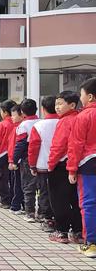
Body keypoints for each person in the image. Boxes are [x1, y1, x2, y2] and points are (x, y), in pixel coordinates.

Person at [47, 91, 82, 244]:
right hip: (78, 165)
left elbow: (58, 145)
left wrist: (50, 164)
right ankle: (77, 231)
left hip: (61, 164)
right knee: (75, 200)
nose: (57, 107)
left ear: (72, 105)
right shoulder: (80, 118)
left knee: (59, 199)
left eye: (60, 103)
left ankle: (61, 231)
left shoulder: (65, 121)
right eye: (56, 104)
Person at [67, 77, 96, 258]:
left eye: (82, 95)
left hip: (89, 163)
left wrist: (71, 169)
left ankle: (91, 243)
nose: (81, 98)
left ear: (91, 96)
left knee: (89, 204)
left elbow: (76, 144)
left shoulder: (84, 116)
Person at [28, 96, 59, 233]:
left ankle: (47, 218)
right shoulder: (63, 122)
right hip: (62, 165)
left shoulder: (39, 126)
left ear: (43, 109)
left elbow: (33, 148)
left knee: (44, 192)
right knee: (59, 193)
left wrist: (32, 165)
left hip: (42, 165)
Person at [13, 98, 39, 222]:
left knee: (28, 186)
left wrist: (14, 159)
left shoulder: (23, 125)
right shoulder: (41, 122)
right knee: (43, 187)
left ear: (22, 112)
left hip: (28, 158)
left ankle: (30, 213)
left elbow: (20, 144)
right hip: (43, 157)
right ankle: (44, 213)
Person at [0, 99, 16, 209]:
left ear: (5, 112)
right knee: (13, 179)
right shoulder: (17, 123)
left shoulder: (3, 124)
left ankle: (5, 200)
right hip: (14, 155)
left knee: (1, 178)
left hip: (2, 155)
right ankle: (13, 199)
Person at [8, 105, 25, 215]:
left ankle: (16, 206)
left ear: (21, 115)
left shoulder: (19, 128)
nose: (12, 118)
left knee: (18, 184)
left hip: (18, 161)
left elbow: (14, 147)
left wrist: (12, 161)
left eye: (14, 115)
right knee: (18, 183)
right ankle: (18, 205)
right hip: (17, 160)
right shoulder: (16, 128)